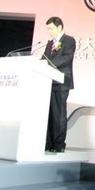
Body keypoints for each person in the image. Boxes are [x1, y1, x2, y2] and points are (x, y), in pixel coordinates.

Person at [41, 16, 75, 153]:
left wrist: (49, 63)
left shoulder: (69, 40)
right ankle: (48, 143)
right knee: (48, 114)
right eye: (47, 29)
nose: (49, 31)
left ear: (59, 27)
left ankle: (59, 144)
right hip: (48, 82)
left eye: (51, 29)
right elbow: (44, 58)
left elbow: (67, 57)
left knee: (59, 114)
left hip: (61, 82)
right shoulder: (50, 43)